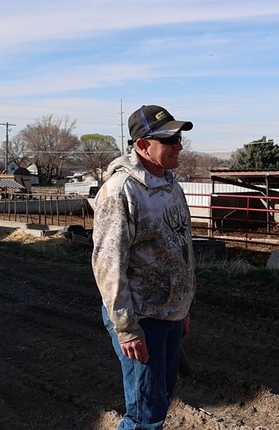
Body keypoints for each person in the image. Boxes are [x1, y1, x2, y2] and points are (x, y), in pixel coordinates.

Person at [92, 104, 196, 430]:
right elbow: (108, 264)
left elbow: (179, 250)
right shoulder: (121, 191)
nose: (179, 145)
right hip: (140, 317)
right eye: (169, 139)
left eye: (179, 138)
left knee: (160, 399)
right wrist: (126, 328)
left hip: (170, 314)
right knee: (144, 416)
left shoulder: (172, 186)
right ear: (142, 145)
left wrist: (182, 308)